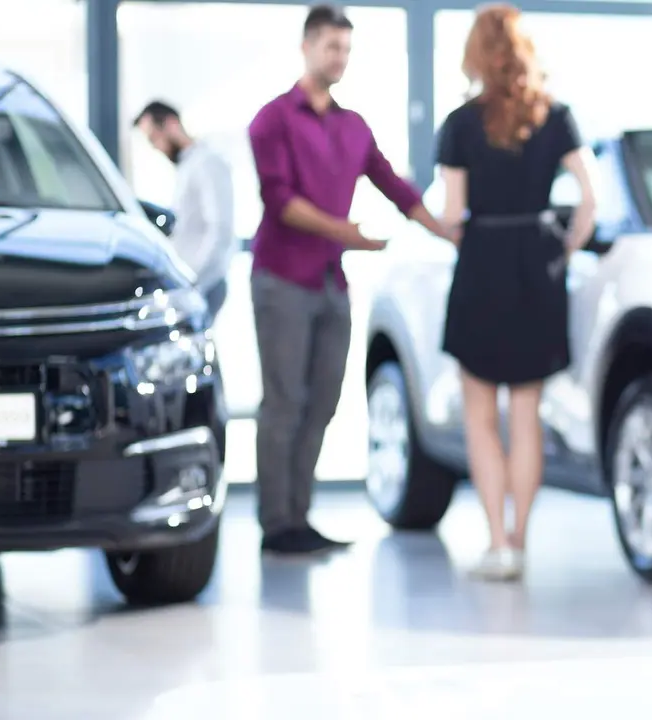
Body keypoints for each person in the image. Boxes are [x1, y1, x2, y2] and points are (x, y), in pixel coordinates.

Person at [248, 3, 454, 555]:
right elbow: (281, 201)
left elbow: (396, 187)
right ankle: (276, 524)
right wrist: (350, 234)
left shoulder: (353, 125)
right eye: (331, 47)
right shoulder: (272, 120)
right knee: (284, 401)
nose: (340, 58)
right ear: (307, 47)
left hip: (330, 284)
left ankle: (300, 515)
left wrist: (448, 232)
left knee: (323, 402)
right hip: (282, 279)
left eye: (346, 49)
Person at [436, 3, 598, 581]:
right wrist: (565, 249)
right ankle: (522, 543)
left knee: (481, 416)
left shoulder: (458, 124)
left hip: (482, 260)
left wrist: (443, 229)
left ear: (475, 54)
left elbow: (453, 215)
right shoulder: (556, 116)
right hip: (536, 262)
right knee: (525, 412)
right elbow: (590, 198)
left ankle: (498, 543)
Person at [133, 101, 236, 316]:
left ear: (171, 124)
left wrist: (192, 281)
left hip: (203, 283)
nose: (155, 147)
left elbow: (220, 230)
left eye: (154, 137)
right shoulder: (187, 166)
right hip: (192, 283)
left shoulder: (207, 163)